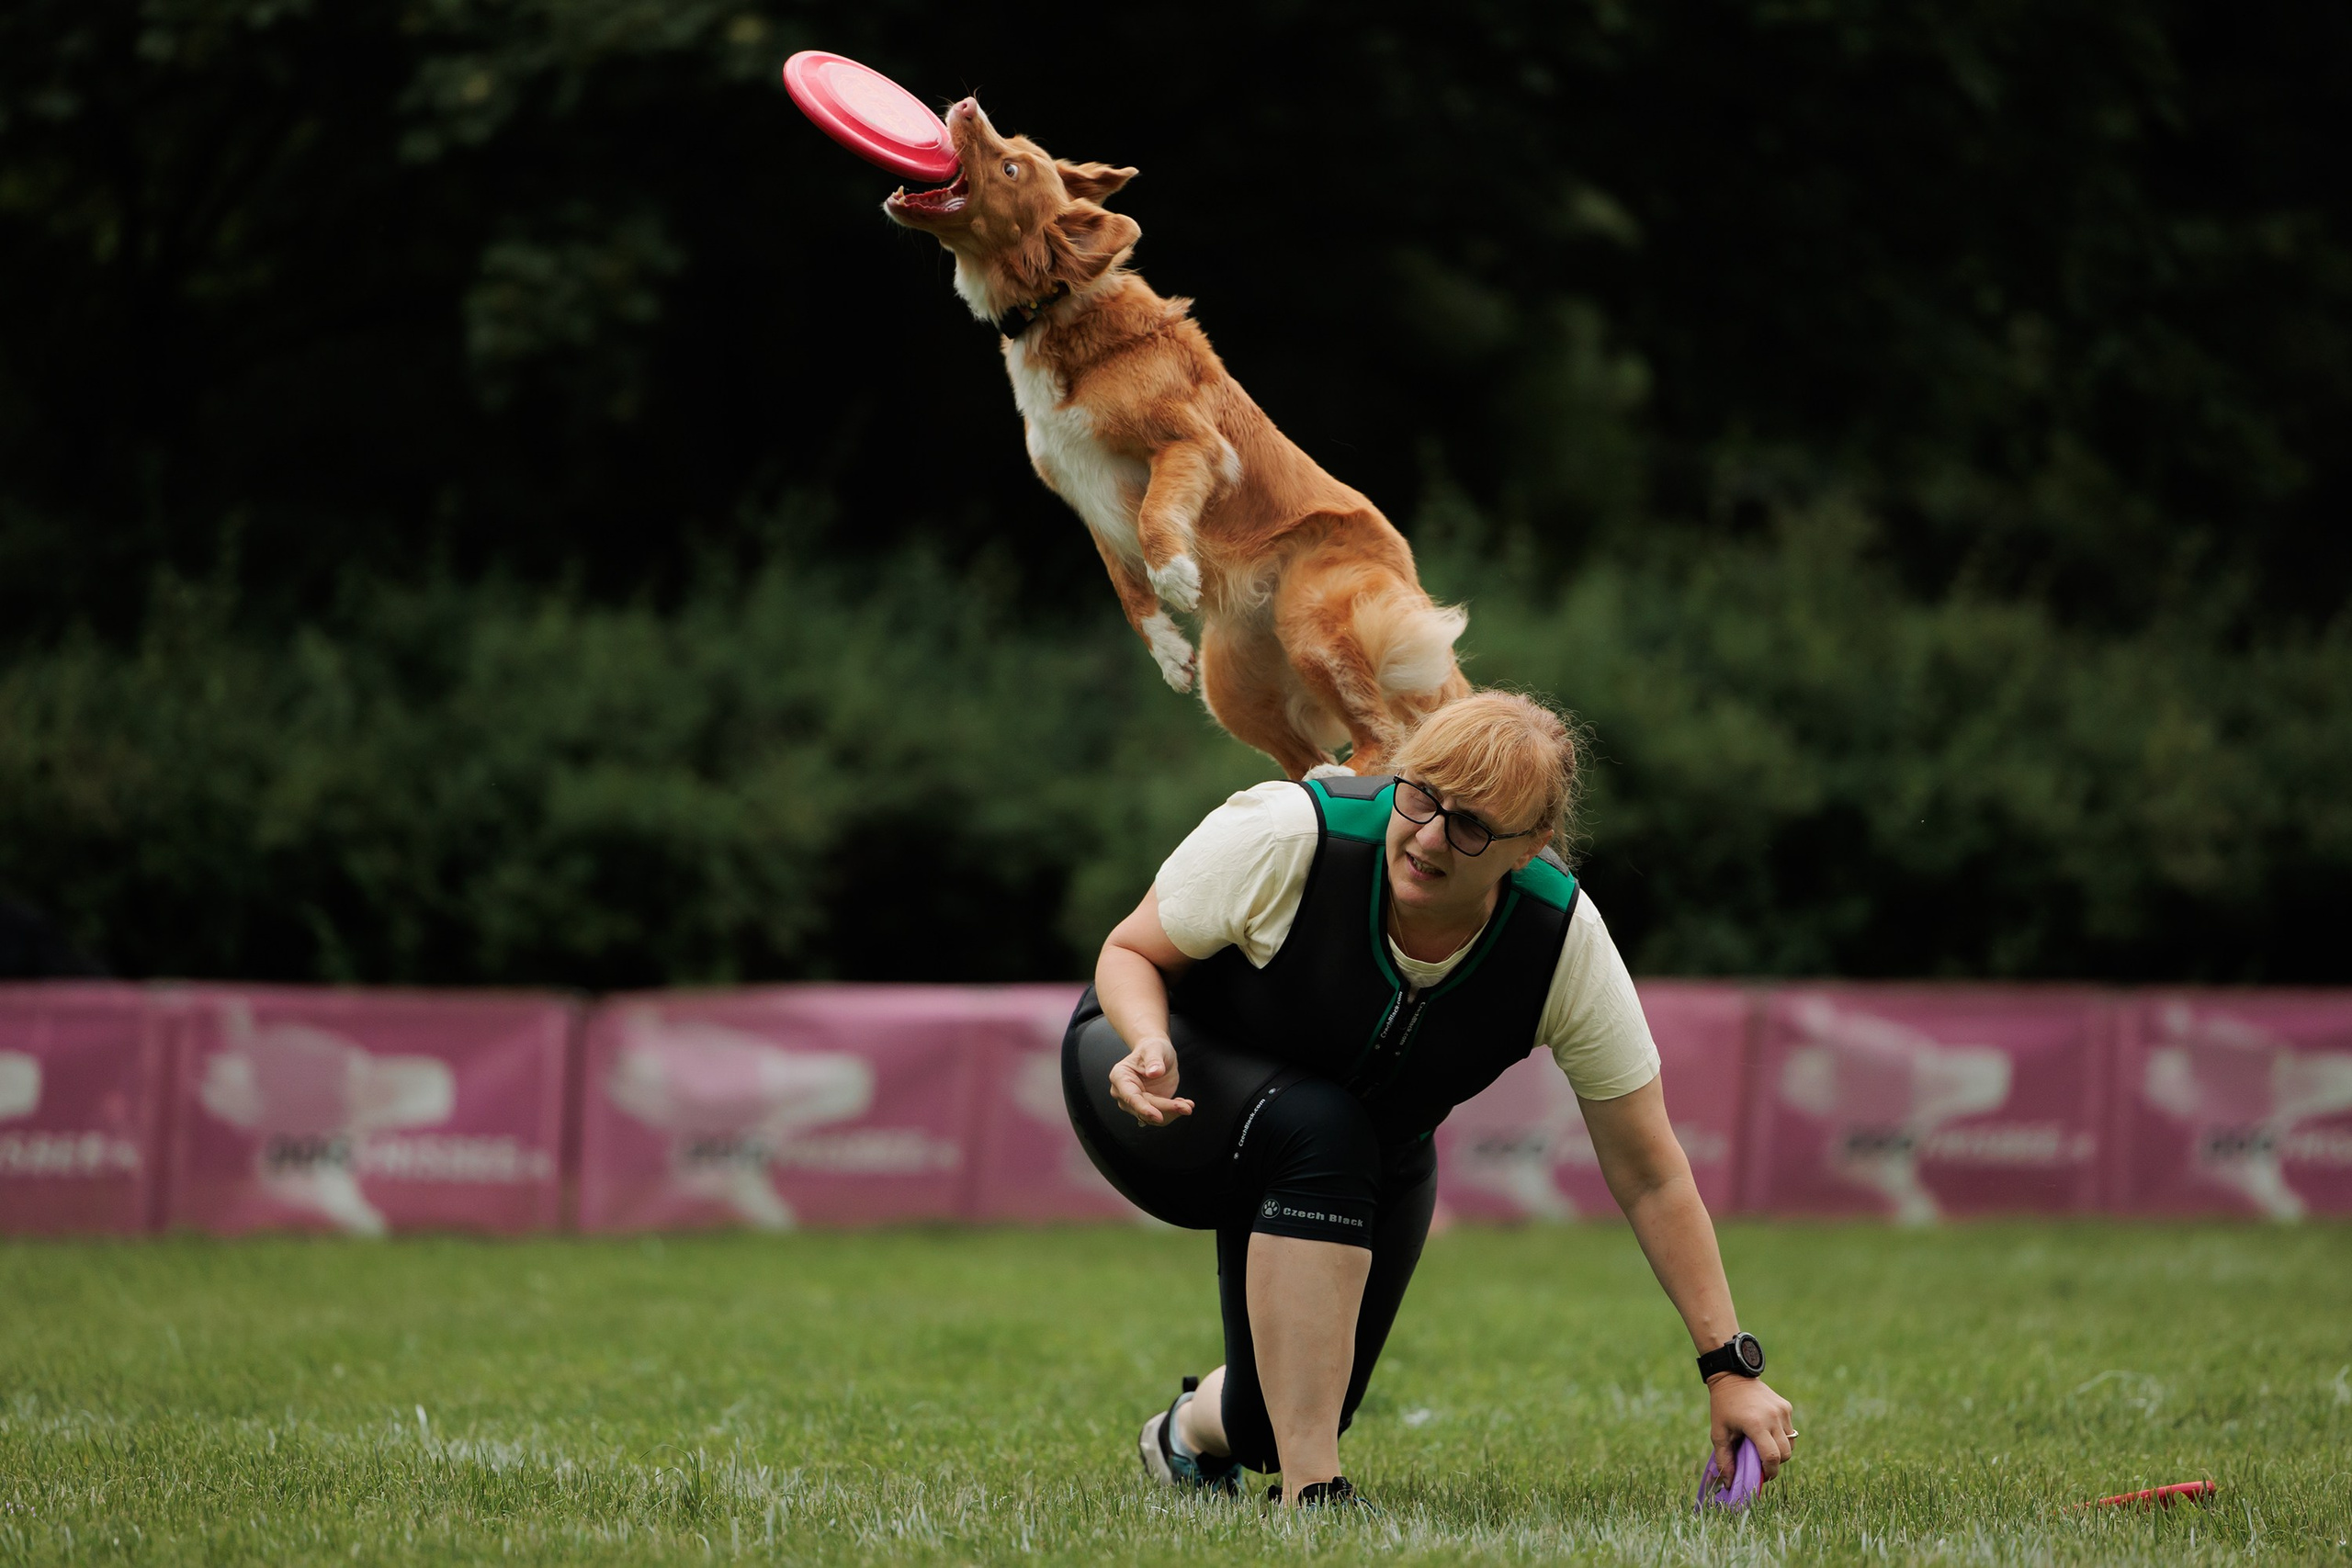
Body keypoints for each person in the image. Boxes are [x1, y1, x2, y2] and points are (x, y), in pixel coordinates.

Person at [1060, 692, 1796, 1506]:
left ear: (1531, 846)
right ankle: (1315, 1497)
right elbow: (1129, 949)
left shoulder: (1561, 944)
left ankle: (1185, 1434)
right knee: (1320, 1126)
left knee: (1276, 1420)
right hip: (1154, 1079)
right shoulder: (1292, 834)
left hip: (1366, 1151)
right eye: (1421, 796)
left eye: (1472, 825)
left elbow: (1650, 1172)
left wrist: (1729, 1368)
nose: (1429, 836)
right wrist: (1147, 1040)